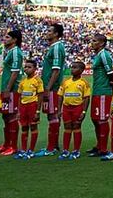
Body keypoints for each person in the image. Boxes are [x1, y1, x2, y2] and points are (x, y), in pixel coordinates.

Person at [36, 23, 67, 158]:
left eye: (49, 31)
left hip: (52, 88)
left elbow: (56, 70)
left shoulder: (56, 48)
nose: (46, 32)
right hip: (50, 86)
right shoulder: (54, 47)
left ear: (55, 34)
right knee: (52, 115)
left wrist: (48, 87)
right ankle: (53, 145)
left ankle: (51, 147)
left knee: (53, 115)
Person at [86, 33, 113, 157]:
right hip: (97, 90)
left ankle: (103, 149)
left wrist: (112, 88)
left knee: (102, 120)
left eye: (94, 41)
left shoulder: (104, 55)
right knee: (95, 119)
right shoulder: (98, 55)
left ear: (102, 43)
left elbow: (111, 73)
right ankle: (99, 145)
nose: (91, 43)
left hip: (104, 91)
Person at [0, 29, 25, 156]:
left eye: (8, 37)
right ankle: (7, 144)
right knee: (5, 116)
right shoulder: (10, 52)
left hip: (12, 90)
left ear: (15, 40)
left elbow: (15, 72)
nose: (5, 39)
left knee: (12, 116)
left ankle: (13, 146)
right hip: (6, 89)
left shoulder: (15, 53)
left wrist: (8, 89)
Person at [58, 60, 91, 160]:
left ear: (81, 70)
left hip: (77, 108)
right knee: (67, 128)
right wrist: (59, 110)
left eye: (75, 67)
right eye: (72, 67)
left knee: (76, 127)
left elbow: (86, 98)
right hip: (67, 108)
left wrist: (84, 111)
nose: (72, 69)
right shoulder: (66, 82)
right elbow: (60, 96)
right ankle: (65, 150)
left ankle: (76, 150)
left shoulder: (84, 83)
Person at [15, 59, 44, 159]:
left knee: (33, 127)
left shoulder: (38, 80)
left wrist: (37, 111)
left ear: (35, 69)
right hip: (23, 107)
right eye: (25, 67)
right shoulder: (23, 82)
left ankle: (31, 150)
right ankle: (23, 150)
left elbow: (40, 96)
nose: (26, 69)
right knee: (24, 127)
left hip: (33, 105)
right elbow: (19, 96)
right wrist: (18, 111)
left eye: (29, 67)